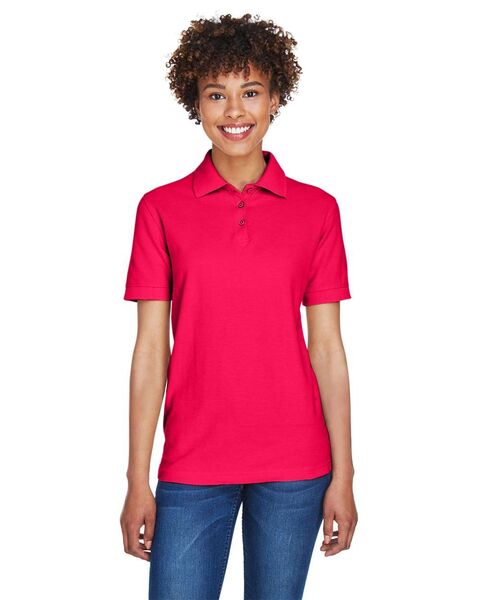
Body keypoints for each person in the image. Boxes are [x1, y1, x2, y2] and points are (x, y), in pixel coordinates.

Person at [120, 13, 358, 600]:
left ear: (275, 98)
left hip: (297, 465)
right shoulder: (160, 209)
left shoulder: (318, 210)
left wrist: (345, 473)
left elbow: (327, 347)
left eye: (250, 92)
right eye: (216, 94)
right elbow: (151, 349)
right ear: (196, 104)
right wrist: (136, 478)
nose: (234, 111)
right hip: (192, 463)